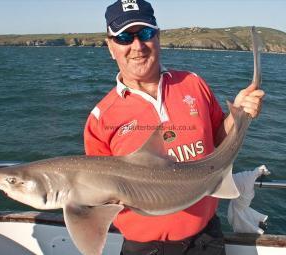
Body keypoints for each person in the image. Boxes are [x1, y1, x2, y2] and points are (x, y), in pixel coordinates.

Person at [84, 0, 265, 254]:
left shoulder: (194, 83)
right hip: (143, 248)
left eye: (146, 34)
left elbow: (218, 137)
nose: (137, 46)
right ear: (110, 47)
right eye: (124, 37)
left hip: (206, 240)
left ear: (158, 37)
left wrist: (240, 112)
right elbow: (97, 197)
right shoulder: (100, 119)